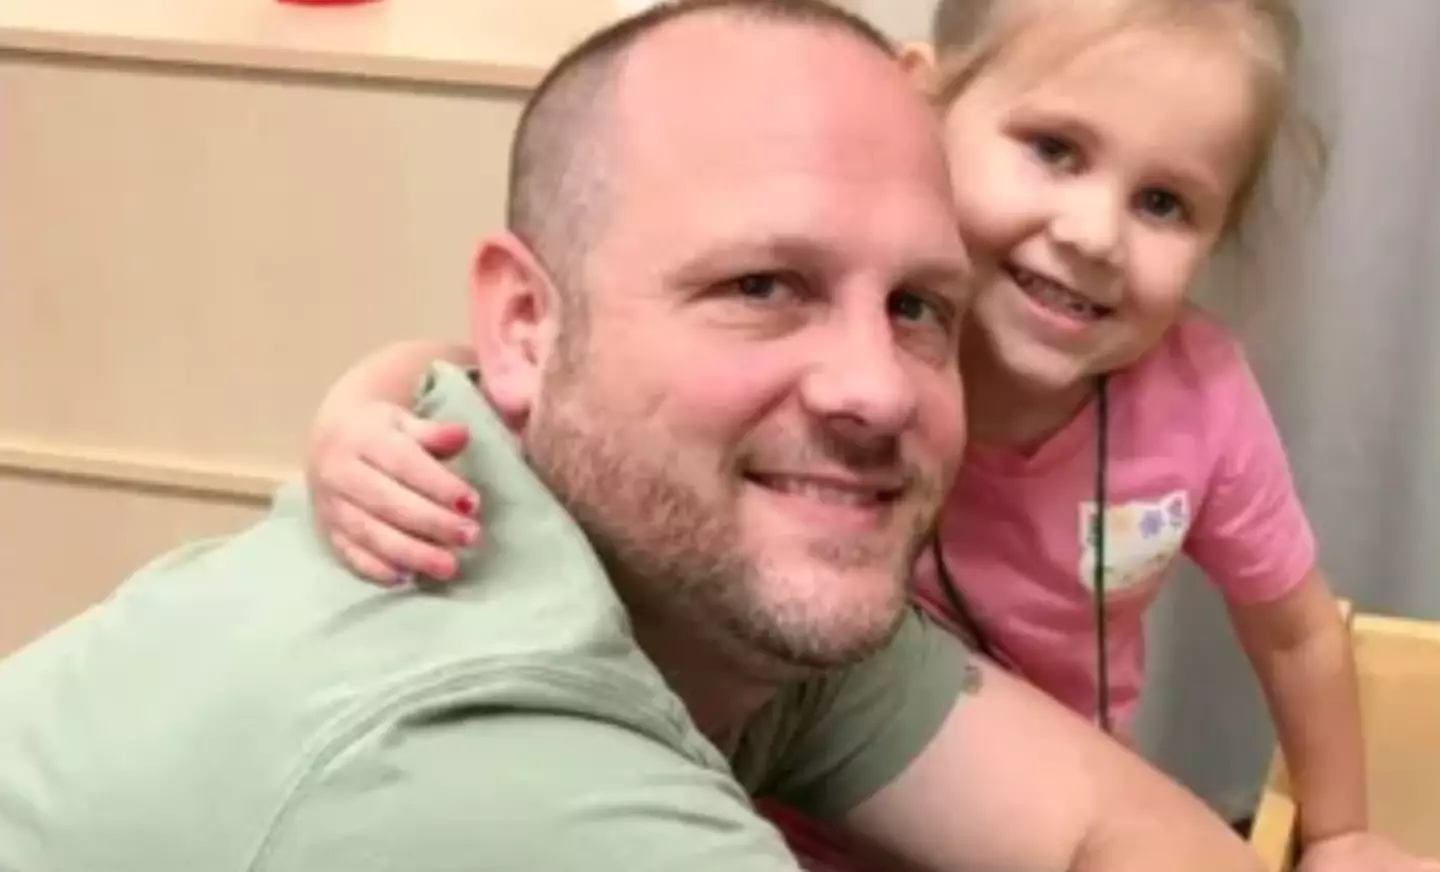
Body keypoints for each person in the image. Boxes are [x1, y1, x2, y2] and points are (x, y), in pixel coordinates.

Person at [0, 2, 1261, 871]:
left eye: (921, 307)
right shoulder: (492, 755)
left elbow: (1125, 831)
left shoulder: (706, 572)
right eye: (762, 285)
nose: (878, 391)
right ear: (524, 325)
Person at [303, 1, 1440, 871]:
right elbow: (510, 360)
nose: (1094, 232)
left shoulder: (1198, 399)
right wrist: (358, 411)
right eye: (1054, 149)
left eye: (1164, 204)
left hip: (1029, 814)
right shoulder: (845, 328)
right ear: (925, 106)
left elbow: (1297, 629)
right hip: (782, 814)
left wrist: (1339, 833)